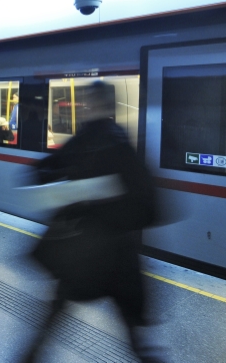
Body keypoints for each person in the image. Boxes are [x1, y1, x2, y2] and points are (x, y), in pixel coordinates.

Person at [21, 81, 163, 363]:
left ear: (102, 106)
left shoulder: (88, 140)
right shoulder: (120, 141)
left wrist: (72, 192)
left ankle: (29, 357)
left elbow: (44, 169)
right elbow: (148, 202)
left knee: (56, 312)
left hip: (82, 249)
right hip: (115, 252)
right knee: (131, 330)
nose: (87, 108)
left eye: (90, 103)